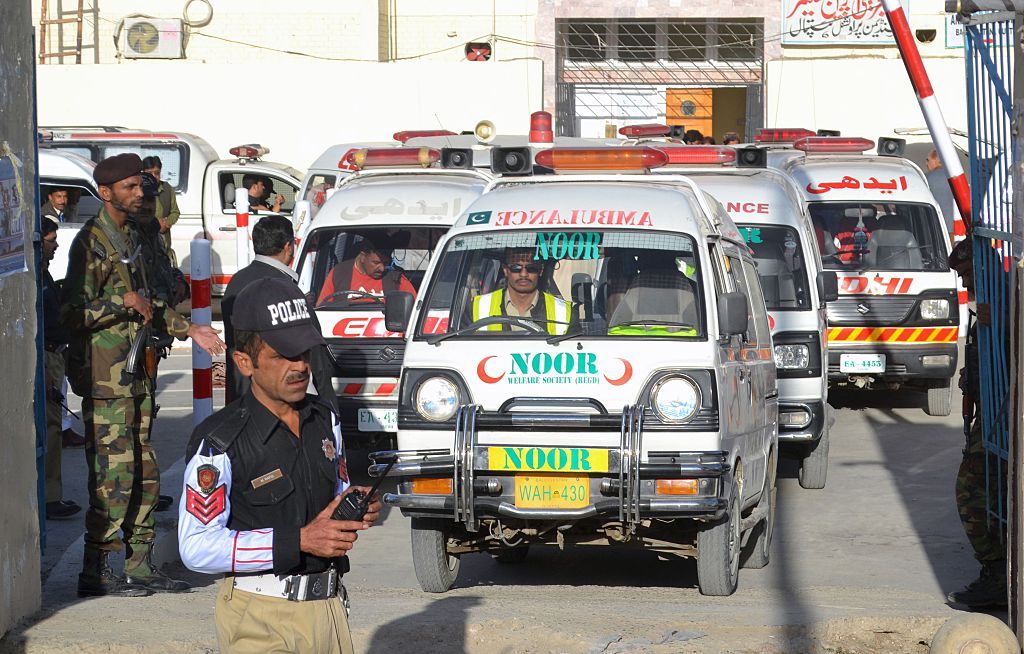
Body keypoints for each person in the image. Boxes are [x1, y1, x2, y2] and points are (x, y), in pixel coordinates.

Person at [178, 278, 381, 653]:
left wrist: (353, 505)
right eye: (281, 356)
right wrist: (299, 540)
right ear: (244, 362)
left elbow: (334, 498)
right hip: (259, 617)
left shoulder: (325, 419)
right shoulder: (220, 441)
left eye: (304, 353)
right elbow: (196, 546)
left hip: (328, 610)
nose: (299, 366)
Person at [60, 152, 226, 598]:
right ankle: (98, 571)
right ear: (107, 192)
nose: (140, 193)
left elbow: (149, 304)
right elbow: (69, 314)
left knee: (144, 472)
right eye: (131, 187)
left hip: (138, 374)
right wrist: (120, 304)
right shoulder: (92, 242)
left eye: (141, 185)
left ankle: (138, 563)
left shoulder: (132, 235)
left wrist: (188, 326)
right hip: (105, 380)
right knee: (113, 477)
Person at [946, 237, 1008, 609]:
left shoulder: (1008, 300)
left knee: (970, 491)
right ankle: (998, 573)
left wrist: (1002, 321)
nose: (966, 285)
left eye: (968, 275)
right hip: (990, 413)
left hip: (1003, 416)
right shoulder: (990, 302)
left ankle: (998, 573)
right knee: (991, 495)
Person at [223, 215, 338, 411]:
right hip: (279, 402)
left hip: (242, 394)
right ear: (288, 246)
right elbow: (314, 353)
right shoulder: (284, 289)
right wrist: (329, 405)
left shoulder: (236, 282)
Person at [40, 217, 83, 520]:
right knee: (50, 428)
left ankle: (50, 494)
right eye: (49, 239)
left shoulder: (43, 275)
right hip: (44, 358)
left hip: (55, 355)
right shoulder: (30, 277)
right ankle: (49, 497)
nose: (55, 245)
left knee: (52, 429)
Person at [471, 248, 571, 335]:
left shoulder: (565, 313)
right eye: (516, 268)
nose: (524, 274)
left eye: (531, 268)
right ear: (505, 270)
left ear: (540, 270)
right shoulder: (477, 307)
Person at [317, 238, 417, 305]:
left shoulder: (395, 279)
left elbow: (415, 309)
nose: (382, 268)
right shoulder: (339, 273)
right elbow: (322, 308)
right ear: (363, 257)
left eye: (385, 263)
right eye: (376, 262)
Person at [141, 156, 181, 266]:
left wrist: (166, 223)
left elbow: (175, 212)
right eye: (150, 173)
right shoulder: (138, 191)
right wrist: (155, 224)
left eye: (157, 173)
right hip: (145, 248)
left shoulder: (167, 189)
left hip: (164, 246)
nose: (154, 177)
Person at [925, 149, 957, 242]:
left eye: (928, 160)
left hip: (933, 228)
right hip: (955, 229)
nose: (926, 163)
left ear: (935, 161)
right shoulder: (955, 178)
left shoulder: (926, 178)